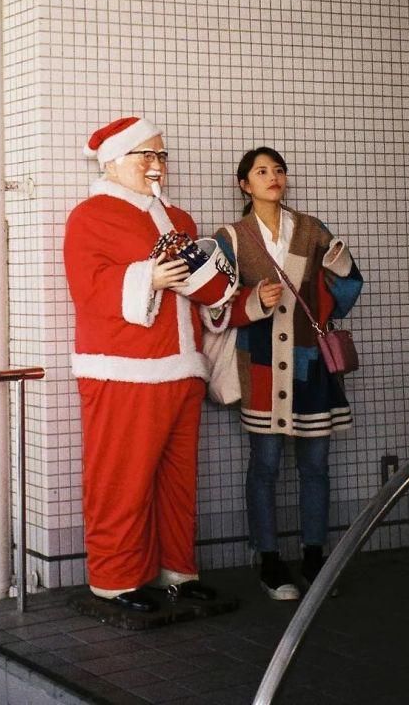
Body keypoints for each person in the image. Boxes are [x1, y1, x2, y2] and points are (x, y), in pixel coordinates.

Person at [64, 116, 238, 612]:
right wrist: (150, 278)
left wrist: (216, 288)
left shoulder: (180, 219)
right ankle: (116, 578)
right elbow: (88, 288)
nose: (158, 166)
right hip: (125, 368)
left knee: (178, 479)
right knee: (123, 476)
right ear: (114, 161)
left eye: (162, 155)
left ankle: (178, 572)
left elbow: (199, 291)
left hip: (183, 367)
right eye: (147, 155)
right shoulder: (90, 216)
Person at [212, 147, 363, 600]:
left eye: (278, 170)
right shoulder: (231, 238)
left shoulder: (311, 229)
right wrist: (254, 299)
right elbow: (212, 304)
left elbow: (349, 287)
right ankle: (270, 561)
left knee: (316, 465)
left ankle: (314, 557)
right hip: (259, 363)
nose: (273, 177)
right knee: (266, 465)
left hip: (309, 363)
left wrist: (338, 263)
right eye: (262, 171)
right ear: (245, 184)